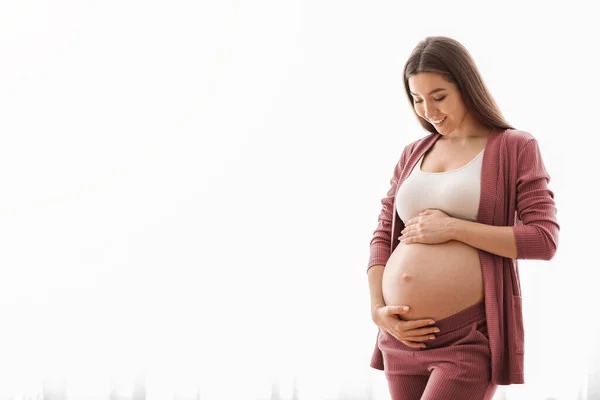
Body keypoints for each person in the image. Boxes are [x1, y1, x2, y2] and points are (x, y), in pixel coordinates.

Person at [366, 36, 560, 400]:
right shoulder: (413, 153)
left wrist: (453, 228)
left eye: (439, 97)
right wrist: (379, 310)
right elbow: (382, 237)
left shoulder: (514, 146)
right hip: (400, 337)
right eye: (417, 99)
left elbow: (543, 239)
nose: (428, 110)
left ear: (467, 86)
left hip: (467, 338)